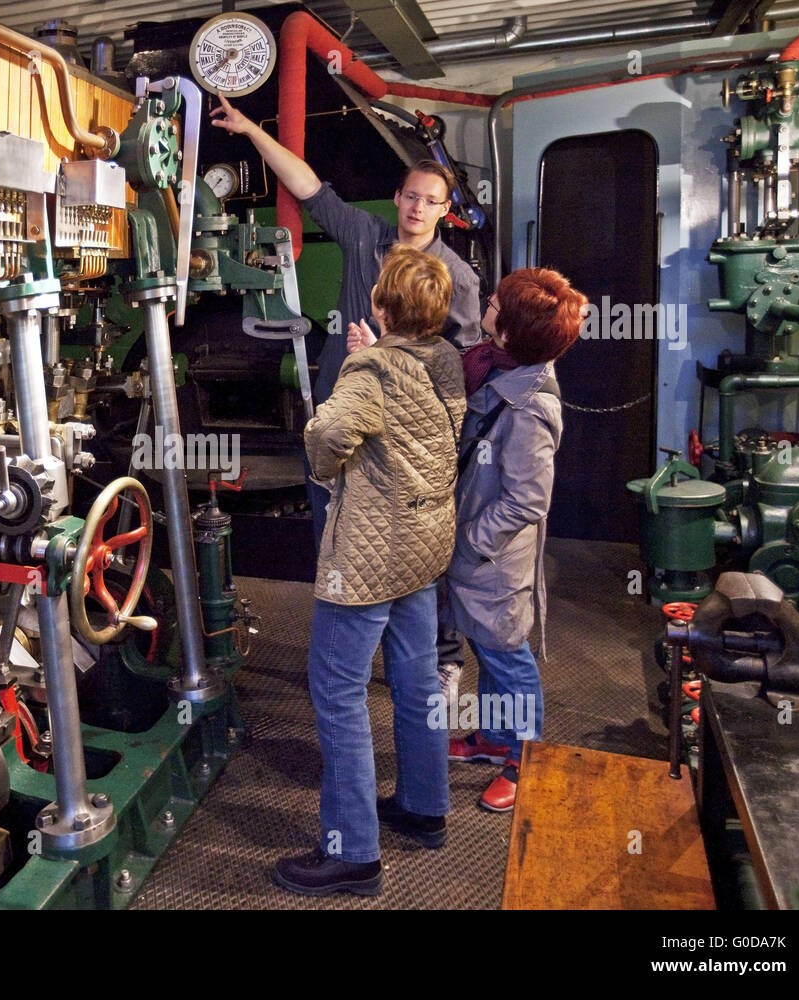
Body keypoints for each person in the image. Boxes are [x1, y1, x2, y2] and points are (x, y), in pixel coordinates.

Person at [210, 94, 478, 694]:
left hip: (406, 441)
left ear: (445, 210)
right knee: (334, 541)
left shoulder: (455, 278)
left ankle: (440, 659)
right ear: (398, 197)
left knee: (415, 549)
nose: (416, 207)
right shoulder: (364, 236)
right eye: (410, 195)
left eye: (430, 201)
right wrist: (254, 129)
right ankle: (347, 661)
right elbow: (309, 187)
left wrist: (387, 356)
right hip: (341, 424)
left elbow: (462, 366)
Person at [271, 245, 465, 897]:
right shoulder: (443, 360)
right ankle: (423, 807)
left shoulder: (372, 370)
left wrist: (326, 472)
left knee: (337, 687)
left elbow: (328, 435)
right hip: (423, 542)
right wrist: (372, 354)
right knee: (414, 676)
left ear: (382, 306)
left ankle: (351, 850)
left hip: (369, 553)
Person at [443, 268, 587, 813]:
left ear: (511, 331)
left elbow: (527, 501)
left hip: (493, 561)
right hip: (478, 554)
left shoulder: (529, 406)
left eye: (498, 302)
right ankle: (493, 740)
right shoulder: (492, 365)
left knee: (508, 658)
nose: (490, 301)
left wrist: (469, 545)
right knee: (486, 648)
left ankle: (524, 760)